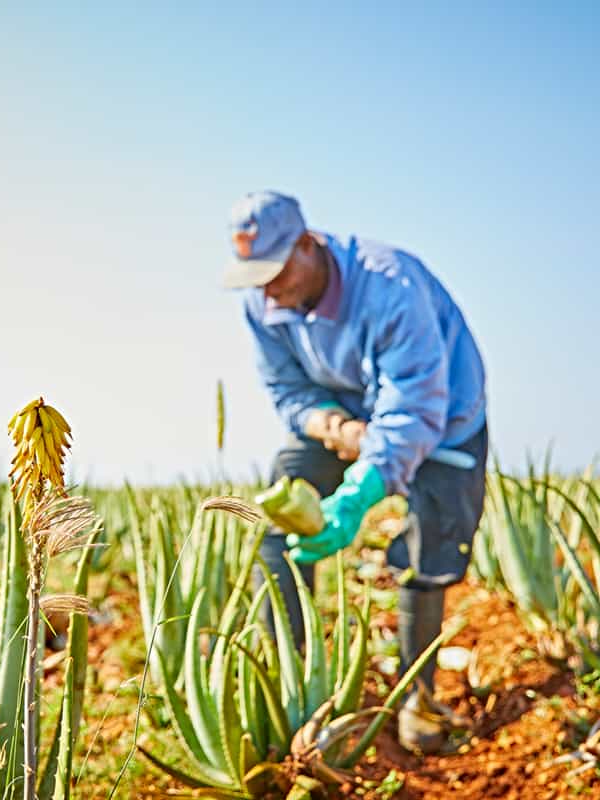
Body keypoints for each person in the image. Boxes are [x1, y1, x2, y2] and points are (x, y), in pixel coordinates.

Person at [224, 190, 487, 754]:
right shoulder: (263, 305)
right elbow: (287, 390)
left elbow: (415, 408)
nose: (266, 289)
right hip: (343, 418)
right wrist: (339, 429)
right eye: (254, 275)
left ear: (307, 245)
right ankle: (290, 683)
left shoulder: (390, 286)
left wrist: (358, 493)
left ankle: (417, 698)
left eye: (273, 271)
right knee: (279, 509)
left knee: (431, 551)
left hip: (443, 421)